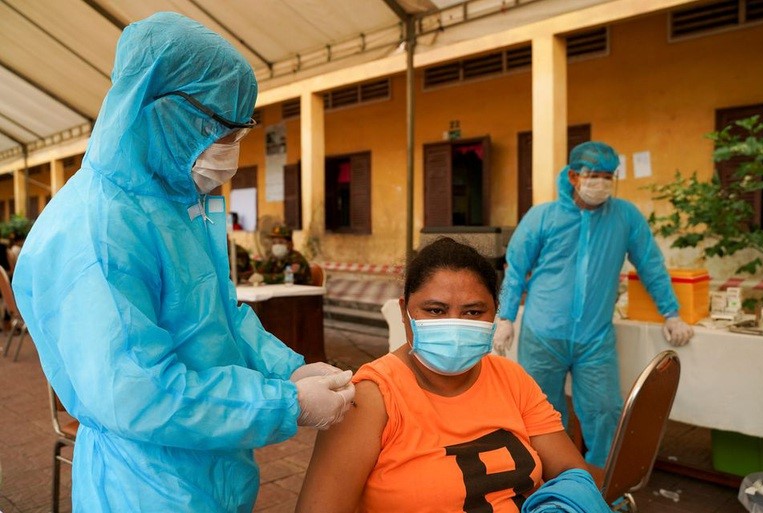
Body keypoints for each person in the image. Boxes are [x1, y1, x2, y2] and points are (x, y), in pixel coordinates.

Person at [12, 12, 355, 512]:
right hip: (146, 484)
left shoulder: (173, 205)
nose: (229, 150)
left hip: (210, 463)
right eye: (219, 130)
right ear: (159, 110)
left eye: (239, 132)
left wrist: (289, 371)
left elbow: (217, 320)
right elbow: (138, 392)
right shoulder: (97, 229)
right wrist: (285, 404)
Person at [296, 237, 599, 513]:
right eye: (436, 310)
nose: (454, 325)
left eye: (473, 312)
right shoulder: (370, 398)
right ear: (405, 313)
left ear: (495, 314)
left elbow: (570, 470)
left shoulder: (511, 378)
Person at [492, 141, 694, 471]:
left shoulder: (624, 216)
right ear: (573, 176)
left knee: (606, 411)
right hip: (543, 334)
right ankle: (549, 481)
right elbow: (515, 268)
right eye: (592, 175)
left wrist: (671, 312)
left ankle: (600, 486)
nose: (600, 182)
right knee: (542, 413)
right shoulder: (544, 216)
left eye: (607, 176)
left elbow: (650, 265)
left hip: (595, 338)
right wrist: (505, 316)